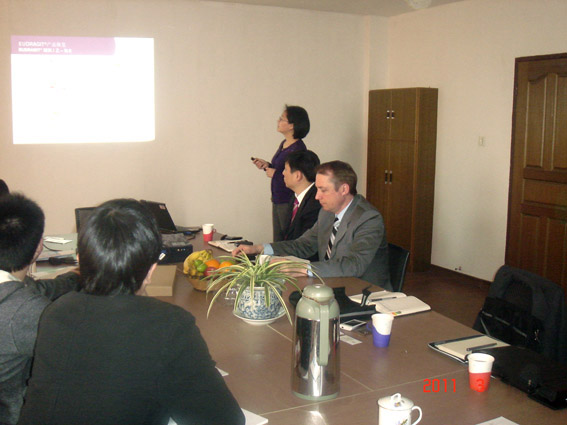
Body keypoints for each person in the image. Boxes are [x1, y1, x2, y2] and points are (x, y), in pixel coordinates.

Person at [18, 199, 245, 425]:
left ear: (79, 261)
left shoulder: (56, 312)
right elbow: (225, 419)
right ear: (152, 269)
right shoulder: (169, 325)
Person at [234, 161, 391, 290]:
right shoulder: (327, 213)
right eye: (317, 189)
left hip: (366, 294)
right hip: (332, 285)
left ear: (344, 189)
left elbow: (354, 264)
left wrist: (303, 268)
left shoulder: (368, 218)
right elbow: (304, 245)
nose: (317, 196)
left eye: (323, 190)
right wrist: (259, 249)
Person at [0, 193, 79, 425]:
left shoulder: (17, 293)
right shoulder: (30, 313)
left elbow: (37, 288)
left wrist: (77, 276)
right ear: (38, 249)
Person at [252, 105, 310, 242]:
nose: (278, 121)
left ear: (292, 125)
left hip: (288, 199)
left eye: (282, 119)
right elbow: (281, 168)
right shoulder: (284, 143)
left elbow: (297, 176)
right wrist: (267, 166)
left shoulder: (298, 149)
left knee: (287, 239)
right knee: (278, 239)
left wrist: (276, 174)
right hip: (277, 198)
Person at [281, 150, 321, 251]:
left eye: (285, 169)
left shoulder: (316, 202)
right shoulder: (295, 198)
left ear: (297, 176)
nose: (283, 173)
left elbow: (306, 244)